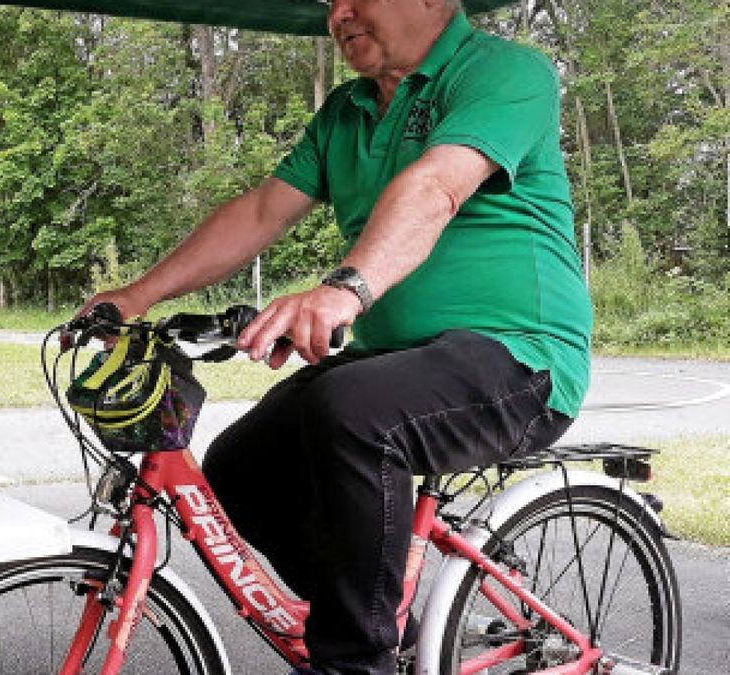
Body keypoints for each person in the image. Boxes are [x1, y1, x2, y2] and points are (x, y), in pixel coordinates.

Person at [81, 0, 592, 672]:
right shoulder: (348, 110)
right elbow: (261, 211)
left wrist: (345, 289)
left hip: (521, 357)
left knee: (352, 413)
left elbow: (437, 185)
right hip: (400, 360)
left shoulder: (504, 72)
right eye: (329, 3)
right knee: (240, 465)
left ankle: (357, 657)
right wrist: (135, 294)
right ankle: (374, 616)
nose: (337, 14)